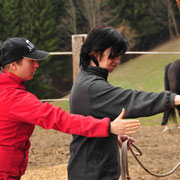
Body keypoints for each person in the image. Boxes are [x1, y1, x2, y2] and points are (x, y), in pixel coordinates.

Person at [0, 37, 141, 180]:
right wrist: (108, 127)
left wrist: (109, 135)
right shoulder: (15, 99)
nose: (36, 65)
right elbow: (61, 120)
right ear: (13, 65)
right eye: (31, 61)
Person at [68, 25, 180, 180]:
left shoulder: (87, 81)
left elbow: (92, 123)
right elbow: (129, 99)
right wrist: (175, 99)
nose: (117, 60)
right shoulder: (91, 86)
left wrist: (112, 138)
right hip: (93, 174)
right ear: (94, 53)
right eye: (113, 55)